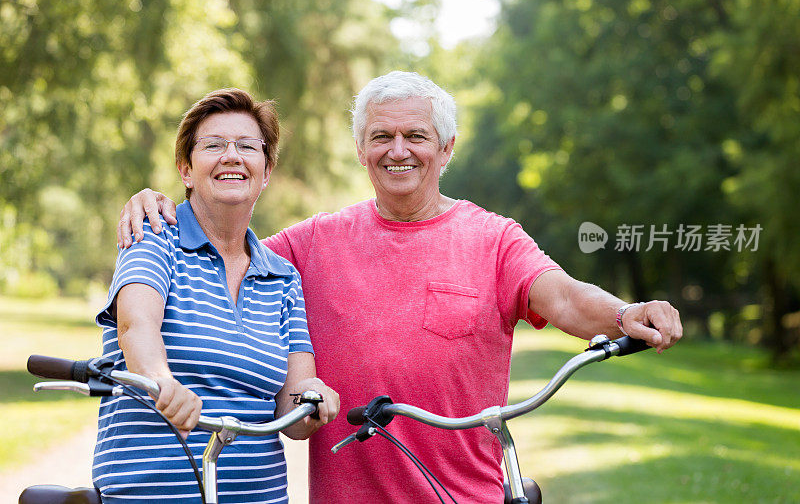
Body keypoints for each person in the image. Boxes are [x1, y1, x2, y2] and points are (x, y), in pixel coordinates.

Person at [117, 71, 682, 503]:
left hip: (463, 494)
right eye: (380, 136)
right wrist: (160, 203)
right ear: (361, 149)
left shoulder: (493, 239)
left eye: (416, 135)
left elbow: (561, 296)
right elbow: (226, 241)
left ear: (447, 147)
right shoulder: (309, 246)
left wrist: (622, 313)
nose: (398, 149)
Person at [94, 88, 339, 503]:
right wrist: (161, 382)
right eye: (213, 145)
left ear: (266, 172)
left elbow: (291, 414)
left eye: (247, 146)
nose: (231, 155)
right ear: (186, 170)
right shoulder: (154, 238)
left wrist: (313, 401)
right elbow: (135, 325)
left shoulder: (283, 277)